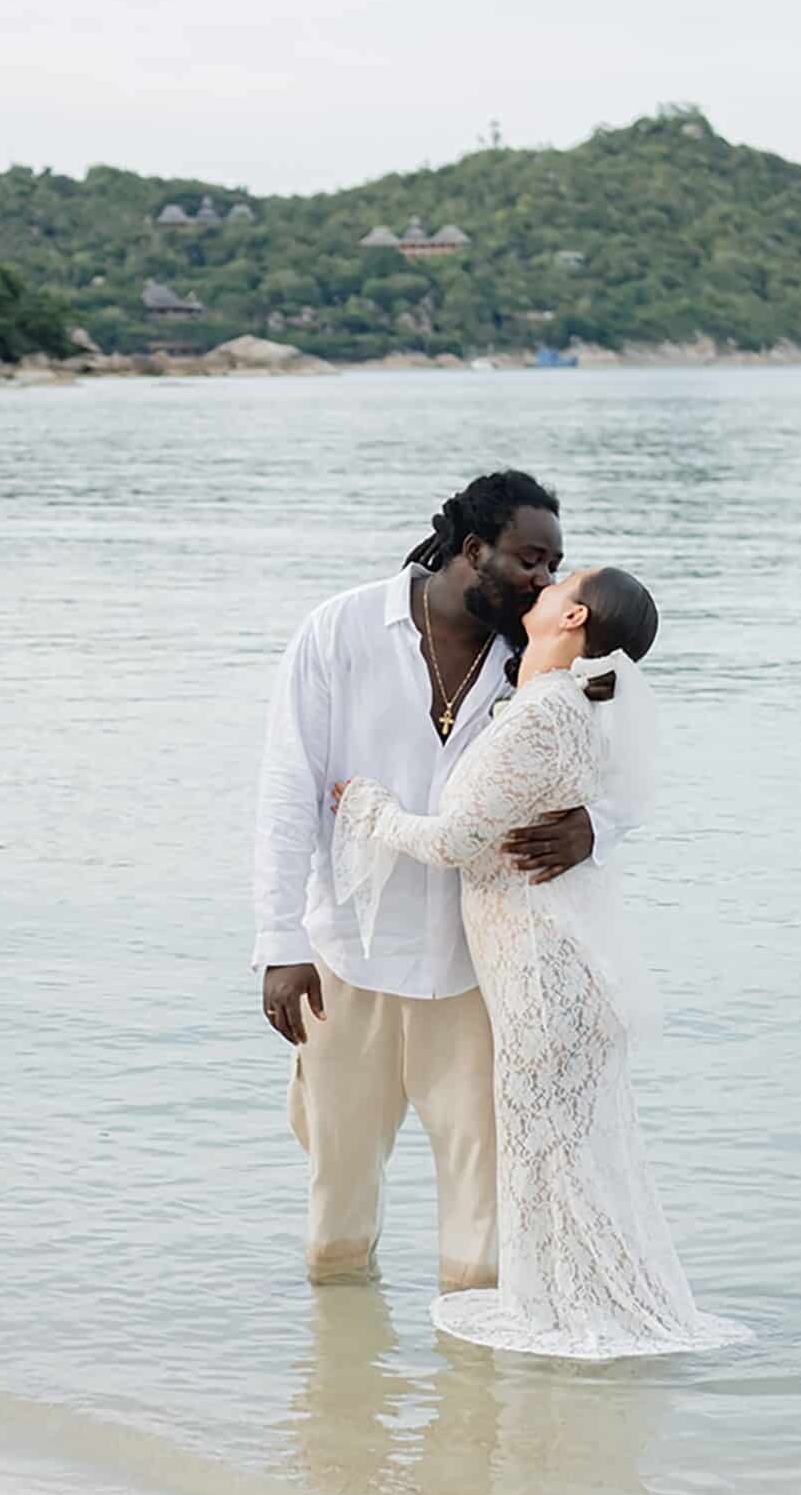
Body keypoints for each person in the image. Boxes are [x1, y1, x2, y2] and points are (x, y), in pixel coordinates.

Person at [331, 568, 747, 1360]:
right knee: (562, 1166)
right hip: (555, 971)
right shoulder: (565, 712)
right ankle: (581, 1308)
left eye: (563, 582)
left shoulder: (543, 717)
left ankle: (575, 1317)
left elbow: (452, 840)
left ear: (575, 615)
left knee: (549, 1163)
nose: (546, 583)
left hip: (540, 975)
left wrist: (367, 806)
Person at [252, 470, 631, 1293]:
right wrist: (279, 943)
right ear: (473, 551)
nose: (546, 579)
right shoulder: (341, 630)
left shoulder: (543, 665)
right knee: (336, 1218)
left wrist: (595, 826)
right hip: (346, 958)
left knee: (482, 1228)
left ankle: (475, 1410)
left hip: (476, 971)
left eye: (554, 563)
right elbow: (287, 791)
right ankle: (342, 1397)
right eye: (532, 559)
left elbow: (623, 769)